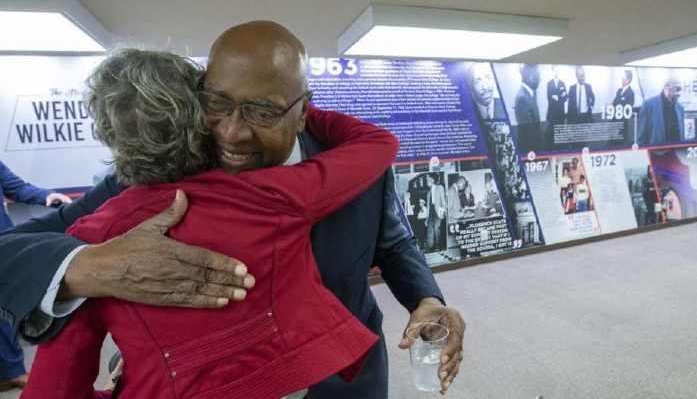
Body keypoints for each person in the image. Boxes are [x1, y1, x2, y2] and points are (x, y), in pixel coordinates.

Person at [0, 21, 465, 398]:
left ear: (303, 111)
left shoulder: (355, 164)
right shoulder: (148, 176)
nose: (231, 133)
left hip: (346, 378)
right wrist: (92, 265)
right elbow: (11, 249)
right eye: (216, 103)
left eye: (262, 111)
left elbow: (394, 242)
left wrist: (428, 299)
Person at [0, 160, 70, 393]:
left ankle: (11, 372)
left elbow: (18, 188)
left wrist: (47, 195)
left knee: (4, 311)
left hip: (3, 247)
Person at [637, 74, 684, 145]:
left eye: (680, 89)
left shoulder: (680, 108)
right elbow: (641, 138)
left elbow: (682, 136)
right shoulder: (649, 105)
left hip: (676, 154)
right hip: (655, 154)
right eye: (677, 88)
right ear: (667, 86)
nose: (678, 93)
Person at [515, 64, 541, 146]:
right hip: (530, 148)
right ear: (531, 78)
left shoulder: (531, 94)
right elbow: (529, 134)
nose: (540, 80)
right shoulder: (522, 99)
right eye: (538, 77)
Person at [546, 65, 568, 146]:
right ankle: (552, 147)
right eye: (555, 71)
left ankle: (560, 147)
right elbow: (549, 97)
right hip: (552, 113)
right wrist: (560, 96)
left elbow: (566, 97)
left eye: (558, 71)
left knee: (560, 132)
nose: (557, 73)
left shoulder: (562, 83)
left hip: (560, 113)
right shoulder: (549, 83)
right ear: (553, 72)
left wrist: (557, 96)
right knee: (552, 132)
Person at [425, 173, 447, 252]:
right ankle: (430, 247)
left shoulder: (439, 187)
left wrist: (444, 212)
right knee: (430, 229)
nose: (426, 181)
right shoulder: (428, 193)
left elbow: (443, 201)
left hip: (438, 210)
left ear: (432, 179)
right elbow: (427, 207)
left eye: (427, 179)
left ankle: (438, 246)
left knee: (436, 229)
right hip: (431, 211)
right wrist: (426, 218)